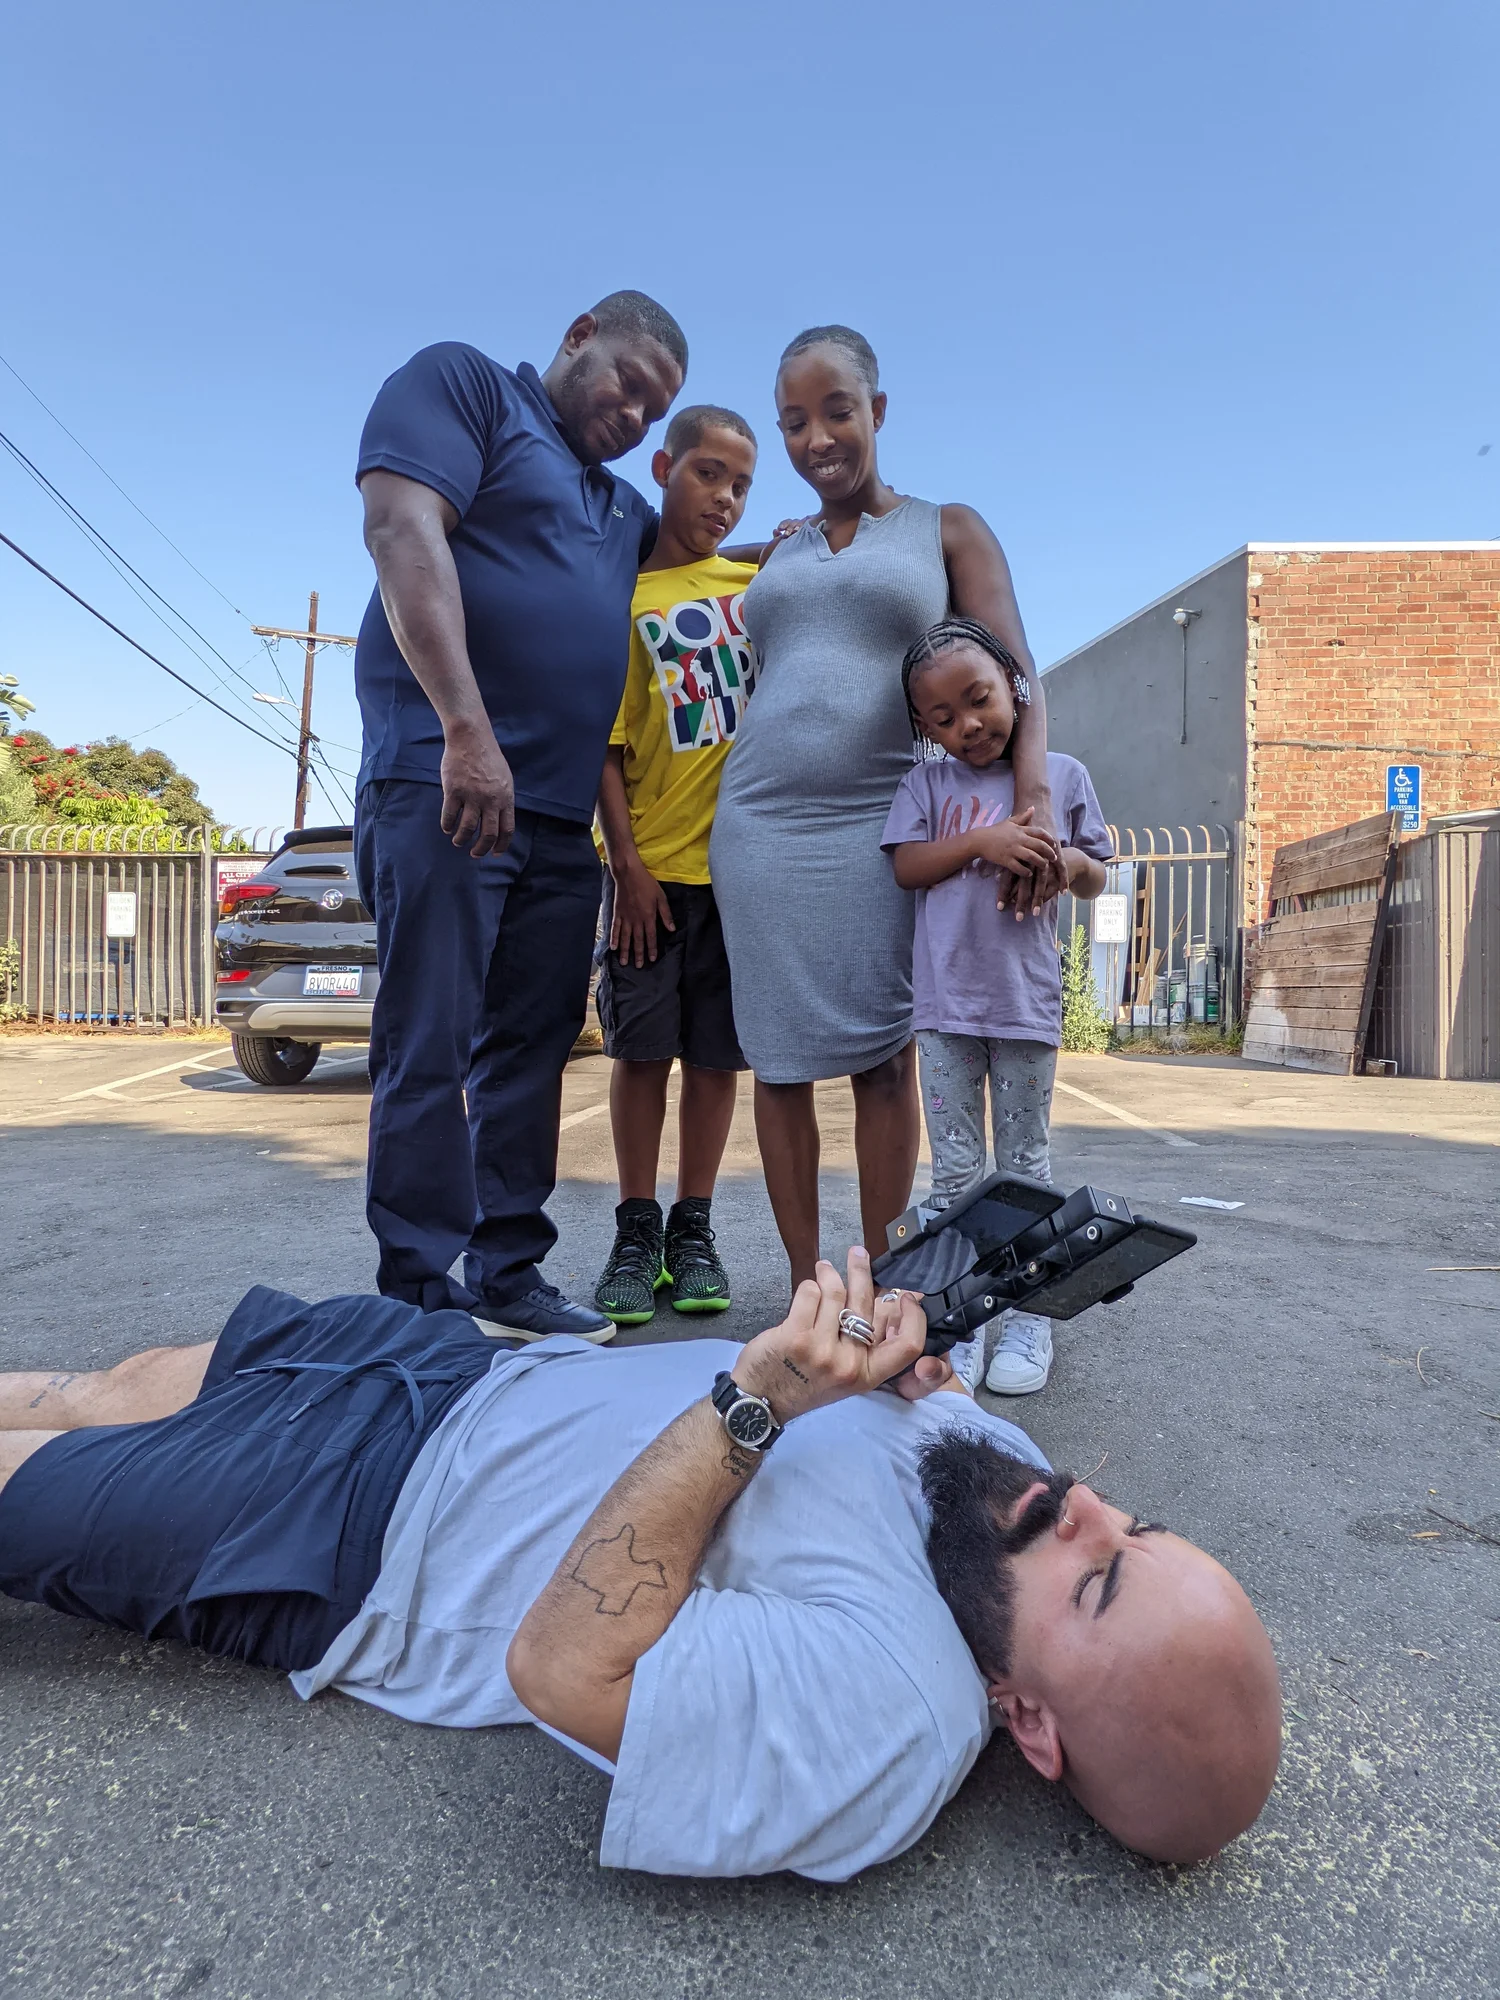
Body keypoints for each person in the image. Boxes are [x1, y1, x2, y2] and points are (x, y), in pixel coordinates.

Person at [0, 1253, 1281, 1880]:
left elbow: (560, 1667)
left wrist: (758, 1399)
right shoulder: (1002, 1487)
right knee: (90, 1386)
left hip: (343, 1525)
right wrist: (894, 1353)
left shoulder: (893, 1715)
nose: (1088, 1507)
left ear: (1034, 1726)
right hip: (463, 1372)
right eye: (1139, 1525)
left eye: (1100, 1575)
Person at [352, 292, 686, 1341]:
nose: (633, 417)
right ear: (580, 332)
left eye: (654, 411)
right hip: (442, 778)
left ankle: (508, 1273)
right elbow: (401, 527)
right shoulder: (466, 389)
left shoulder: (626, 511)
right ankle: (415, 1291)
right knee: (431, 1041)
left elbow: (707, 577)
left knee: (532, 1051)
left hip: (555, 820)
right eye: (629, 384)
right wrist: (465, 727)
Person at [709, 325, 1069, 1291]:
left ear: (877, 409)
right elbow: (696, 566)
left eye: (836, 411)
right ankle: (803, 1290)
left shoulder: (945, 527)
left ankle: (884, 1286)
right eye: (793, 422)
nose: (816, 437)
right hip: (758, 827)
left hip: (879, 823)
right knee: (778, 1065)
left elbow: (1018, 672)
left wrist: (1033, 802)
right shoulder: (780, 551)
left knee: (880, 1059)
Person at [883, 617, 1113, 1397]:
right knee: (954, 1176)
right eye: (941, 719)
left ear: (1014, 691)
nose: (966, 727)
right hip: (944, 1012)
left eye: (977, 701)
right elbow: (908, 867)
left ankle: (1026, 1316)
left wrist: (1066, 858)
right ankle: (963, 1320)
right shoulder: (925, 786)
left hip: (1024, 1009)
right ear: (922, 727)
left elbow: (1097, 875)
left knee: (1024, 1170)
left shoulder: (1063, 776)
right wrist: (983, 842)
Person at [592, 405, 759, 1325]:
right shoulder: (621, 597)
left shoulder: (746, 583)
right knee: (642, 1054)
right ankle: (634, 1230)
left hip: (739, 873)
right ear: (662, 466)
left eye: (739, 483)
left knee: (714, 1059)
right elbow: (604, 748)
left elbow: (793, 556)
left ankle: (693, 1230)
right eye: (707, 474)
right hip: (651, 871)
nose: (724, 497)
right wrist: (626, 867)